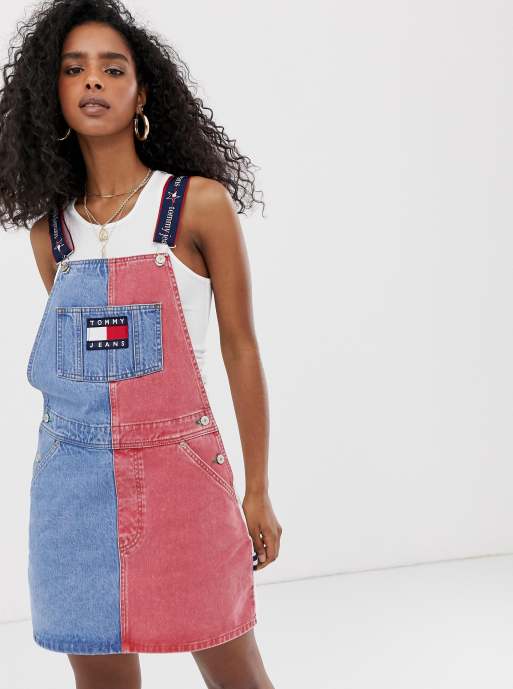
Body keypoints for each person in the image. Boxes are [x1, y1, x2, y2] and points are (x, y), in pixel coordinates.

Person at [0, 0, 282, 687]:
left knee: (236, 670)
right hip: (72, 491)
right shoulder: (50, 235)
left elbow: (242, 347)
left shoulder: (197, 205)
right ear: (51, 93)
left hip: (185, 480)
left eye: (112, 68)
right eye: (74, 69)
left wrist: (257, 490)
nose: (93, 81)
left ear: (143, 92)